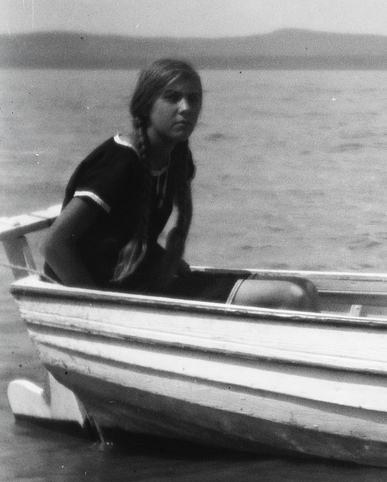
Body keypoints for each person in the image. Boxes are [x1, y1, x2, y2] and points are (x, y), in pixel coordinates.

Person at [42, 58, 317, 309]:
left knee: (306, 287)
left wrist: (165, 262)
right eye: (172, 98)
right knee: (291, 297)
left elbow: (127, 232)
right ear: (146, 105)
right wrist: (97, 307)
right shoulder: (121, 161)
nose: (185, 108)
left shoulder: (176, 156)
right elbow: (54, 245)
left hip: (146, 280)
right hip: (114, 291)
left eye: (193, 98)